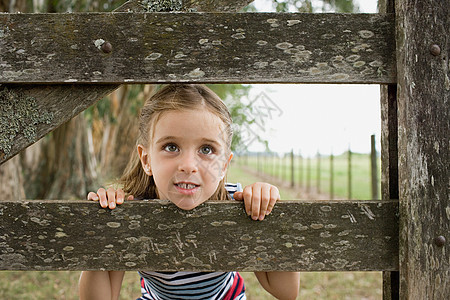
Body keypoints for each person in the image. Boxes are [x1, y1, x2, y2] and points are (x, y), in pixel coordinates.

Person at [79, 84, 300, 300]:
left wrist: (266, 209)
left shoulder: (236, 203)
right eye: (171, 147)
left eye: (206, 149)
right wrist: (102, 225)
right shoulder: (131, 208)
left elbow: (285, 292)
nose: (188, 165)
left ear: (223, 166)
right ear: (146, 160)